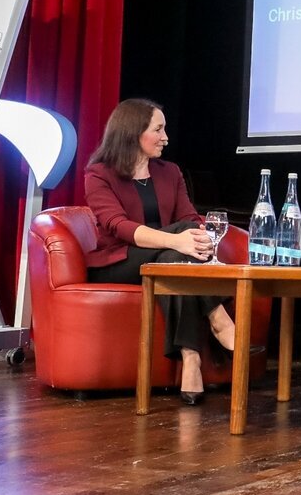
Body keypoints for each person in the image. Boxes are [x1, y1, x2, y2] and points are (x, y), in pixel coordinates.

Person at [84, 98, 240, 406]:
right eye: (159, 129)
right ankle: (220, 319)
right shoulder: (99, 174)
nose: (166, 137)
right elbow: (119, 227)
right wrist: (179, 239)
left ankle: (191, 358)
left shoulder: (170, 172)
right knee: (177, 247)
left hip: (168, 259)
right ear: (133, 133)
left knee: (173, 260)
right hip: (120, 260)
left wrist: (197, 237)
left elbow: (191, 217)